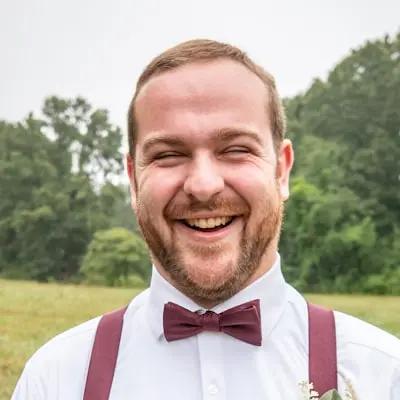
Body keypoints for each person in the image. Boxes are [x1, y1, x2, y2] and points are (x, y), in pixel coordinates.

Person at [12, 39, 400, 400]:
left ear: (281, 171)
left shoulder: (383, 376)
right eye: (168, 154)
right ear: (133, 179)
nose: (203, 185)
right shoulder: (56, 380)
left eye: (235, 149)